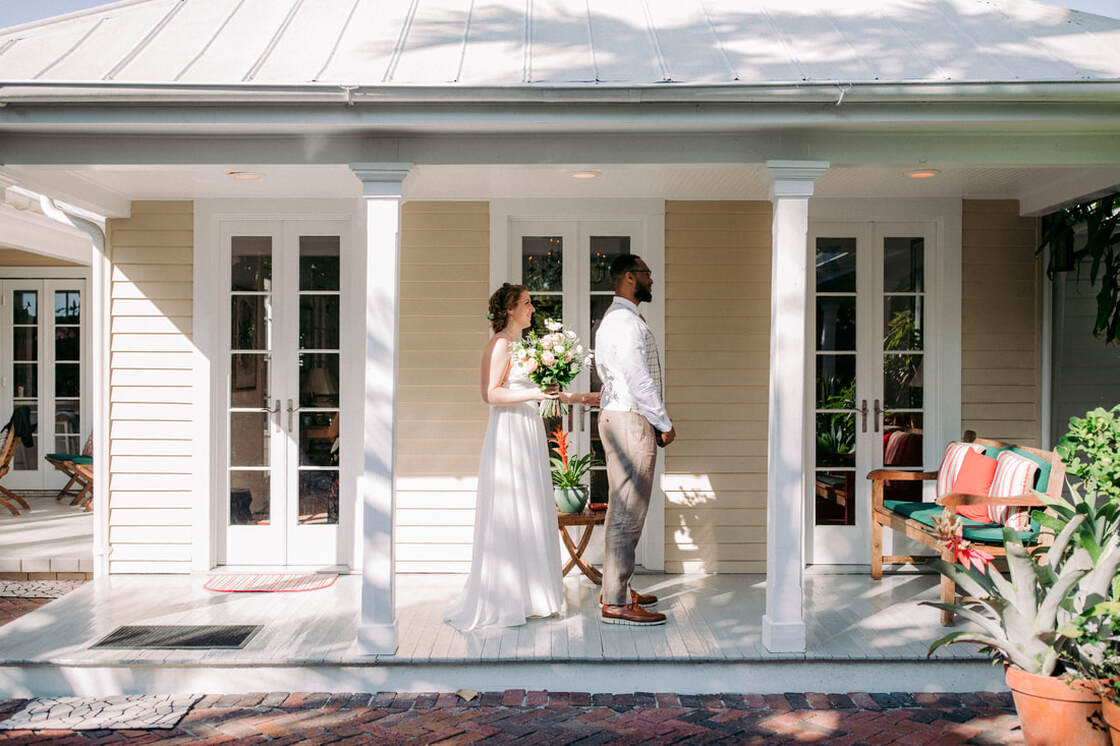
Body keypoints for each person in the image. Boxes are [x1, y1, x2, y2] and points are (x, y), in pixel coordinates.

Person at [446, 283, 601, 631]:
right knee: (510, 508)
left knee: (530, 508)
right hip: (509, 433)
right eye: (527, 303)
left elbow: (544, 391)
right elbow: (490, 394)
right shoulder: (501, 344)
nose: (532, 308)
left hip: (528, 429)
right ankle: (507, 596)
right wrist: (533, 392)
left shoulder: (523, 346)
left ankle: (534, 595)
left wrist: (579, 398)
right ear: (511, 309)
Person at [594, 255, 675, 626]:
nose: (651, 280)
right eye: (647, 274)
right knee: (629, 513)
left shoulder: (613, 320)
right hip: (630, 419)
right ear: (629, 277)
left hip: (615, 414)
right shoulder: (625, 322)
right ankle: (616, 601)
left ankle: (617, 588)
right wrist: (662, 421)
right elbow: (638, 377)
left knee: (619, 509)